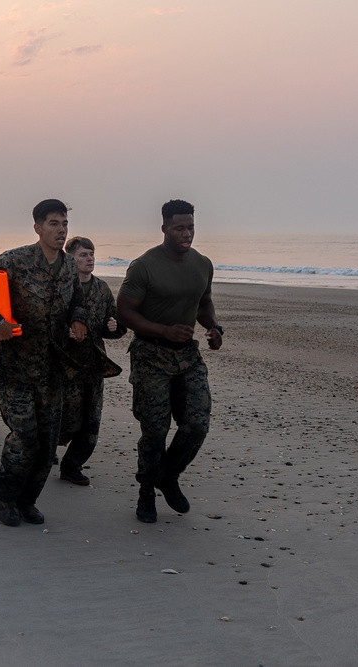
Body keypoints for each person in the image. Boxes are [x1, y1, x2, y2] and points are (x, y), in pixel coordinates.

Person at [0, 199, 88, 527]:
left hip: (52, 369)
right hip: (15, 367)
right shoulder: (13, 262)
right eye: (53, 224)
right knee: (25, 434)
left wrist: (78, 320)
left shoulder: (70, 267)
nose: (60, 231)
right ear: (37, 227)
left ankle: (28, 500)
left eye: (64, 224)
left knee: (47, 444)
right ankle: (4, 496)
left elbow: (79, 301)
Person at [116, 199, 223, 523]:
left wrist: (214, 328)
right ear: (164, 228)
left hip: (188, 356)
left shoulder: (202, 264)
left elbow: (204, 303)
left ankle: (168, 475)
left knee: (197, 424)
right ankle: (146, 491)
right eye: (179, 228)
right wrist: (163, 329)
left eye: (190, 227)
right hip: (150, 355)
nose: (186, 233)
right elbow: (125, 312)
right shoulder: (144, 266)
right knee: (155, 430)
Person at [55, 236, 127, 485]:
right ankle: (45, 450)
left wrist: (113, 326)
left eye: (92, 254)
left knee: (91, 420)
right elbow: (47, 321)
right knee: (65, 417)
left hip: (94, 363)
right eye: (83, 255)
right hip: (65, 365)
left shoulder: (102, 289)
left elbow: (115, 325)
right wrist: (64, 331)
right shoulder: (61, 288)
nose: (89, 259)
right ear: (71, 258)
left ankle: (72, 466)